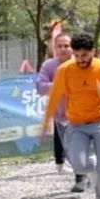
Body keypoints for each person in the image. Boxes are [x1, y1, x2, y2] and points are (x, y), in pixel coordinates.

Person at [43, 34, 100, 199]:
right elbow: (55, 95)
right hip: (76, 123)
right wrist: (46, 120)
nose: (80, 60)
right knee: (79, 165)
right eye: (76, 55)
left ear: (93, 52)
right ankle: (90, 166)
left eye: (84, 55)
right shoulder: (65, 70)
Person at [36, 32, 86, 188]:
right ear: (54, 48)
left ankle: (85, 175)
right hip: (62, 116)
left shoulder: (83, 63)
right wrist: (60, 86)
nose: (63, 49)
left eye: (67, 46)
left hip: (84, 113)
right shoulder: (49, 66)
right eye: (60, 46)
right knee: (70, 150)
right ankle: (82, 175)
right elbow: (40, 86)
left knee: (82, 147)